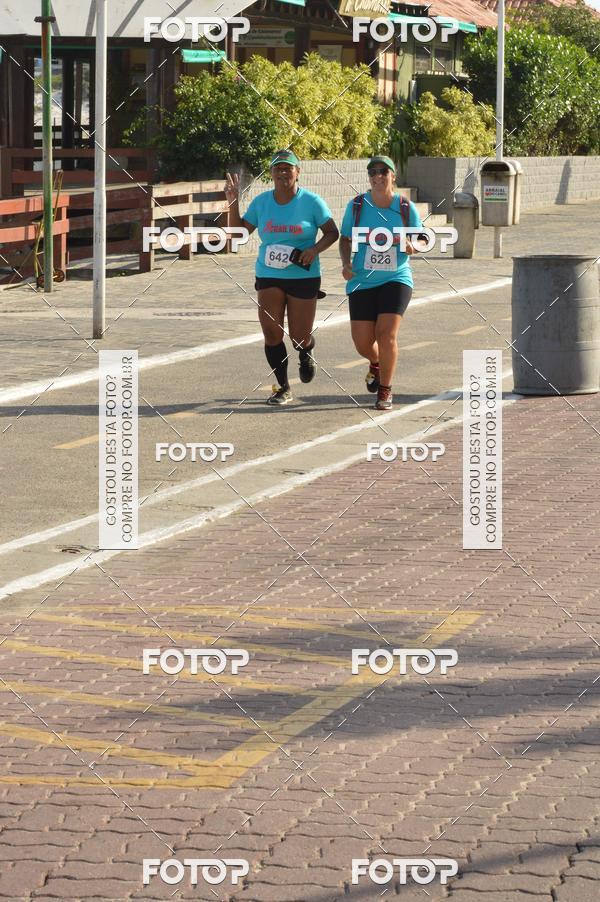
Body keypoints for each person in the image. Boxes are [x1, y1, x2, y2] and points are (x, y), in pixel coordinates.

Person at [225, 150, 339, 406]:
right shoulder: (262, 202)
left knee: (298, 337)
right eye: (278, 168)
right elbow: (238, 234)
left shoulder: (311, 201)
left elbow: (332, 232)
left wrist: (314, 250)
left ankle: (306, 350)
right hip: (269, 273)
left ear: (298, 172)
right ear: (272, 173)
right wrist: (233, 202)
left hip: (303, 275)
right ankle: (282, 387)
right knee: (271, 333)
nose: (282, 173)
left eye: (288, 168)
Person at [339, 155, 423, 411]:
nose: (377, 176)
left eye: (383, 172)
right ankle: (375, 362)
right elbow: (344, 239)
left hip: (396, 278)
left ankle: (385, 390)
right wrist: (346, 263)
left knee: (386, 334)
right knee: (362, 342)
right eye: (373, 172)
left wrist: (412, 246)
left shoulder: (405, 207)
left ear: (393, 176)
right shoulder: (356, 206)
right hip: (362, 280)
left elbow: (421, 239)